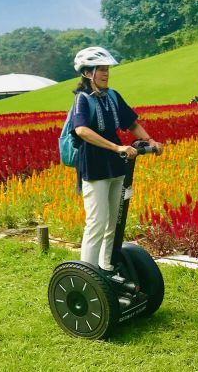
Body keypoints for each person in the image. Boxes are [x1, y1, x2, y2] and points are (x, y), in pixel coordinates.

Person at [70, 47, 163, 271]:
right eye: (101, 69)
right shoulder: (82, 99)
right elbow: (81, 130)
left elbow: (131, 123)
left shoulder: (112, 96)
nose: (106, 74)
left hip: (116, 164)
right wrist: (117, 147)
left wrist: (150, 141)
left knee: (114, 221)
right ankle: (88, 273)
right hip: (94, 165)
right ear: (87, 73)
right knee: (97, 222)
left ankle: (107, 269)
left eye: (107, 69)